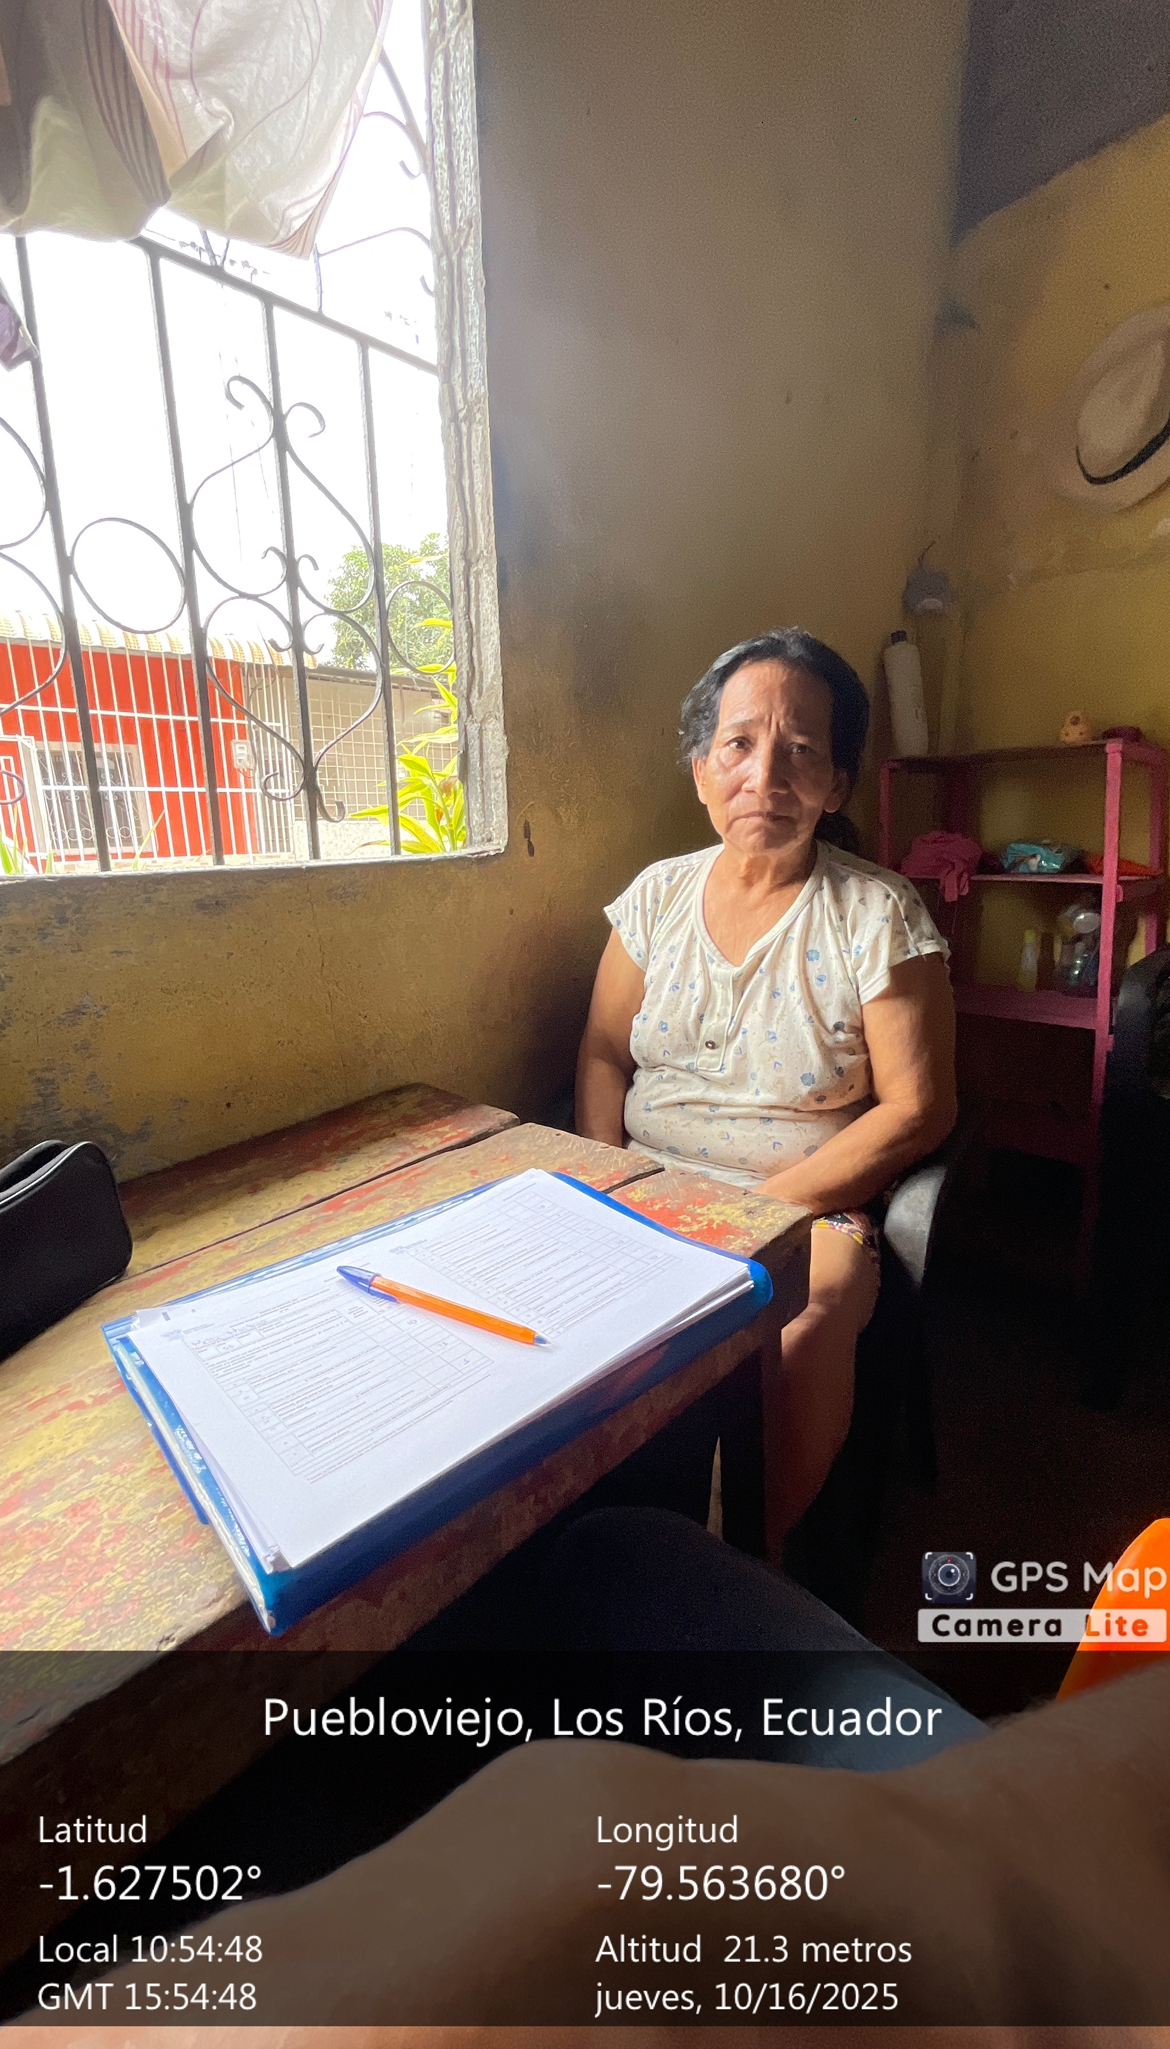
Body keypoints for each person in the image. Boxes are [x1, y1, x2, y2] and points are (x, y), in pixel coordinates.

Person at [576, 628, 957, 1537]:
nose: (766, 777)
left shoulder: (878, 914)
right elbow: (601, 1050)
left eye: (802, 751)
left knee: (811, 1316)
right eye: (739, 744)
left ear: (837, 784)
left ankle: (743, 1556)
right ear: (701, 771)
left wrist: (756, 1212)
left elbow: (921, 1107)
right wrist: (602, 1186)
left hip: (803, 1209)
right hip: (644, 1191)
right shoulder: (656, 899)